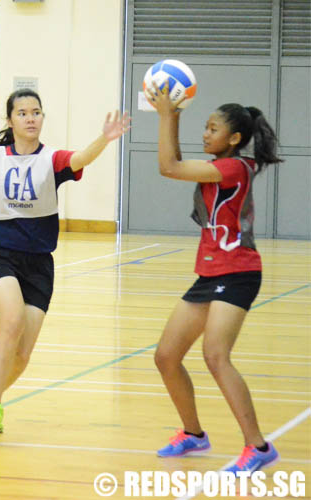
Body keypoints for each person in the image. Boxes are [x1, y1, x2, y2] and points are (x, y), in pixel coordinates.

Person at [0, 89, 129, 434]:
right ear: (10, 120)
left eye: (36, 112)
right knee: (12, 320)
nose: (30, 118)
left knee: (22, 355)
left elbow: (80, 158)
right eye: (22, 113)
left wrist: (104, 139)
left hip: (39, 263)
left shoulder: (52, 160)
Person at [146, 82, 283, 473]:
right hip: (210, 272)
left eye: (212, 129)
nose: (205, 134)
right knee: (167, 357)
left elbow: (168, 166)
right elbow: (174, 161)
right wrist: (171, 118)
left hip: (238, 271)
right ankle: (193, 434)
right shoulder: (218, 165)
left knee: (215, 356)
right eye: (204, 127)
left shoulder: (234, 167)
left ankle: (257, 448)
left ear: (234, 138)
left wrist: (166, 117)